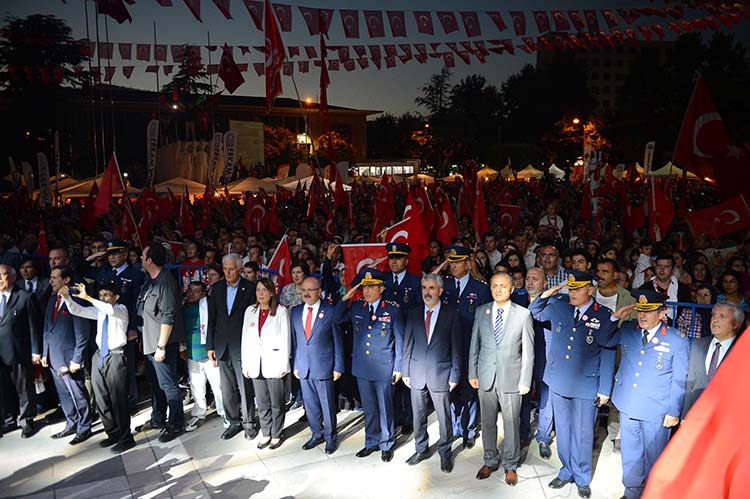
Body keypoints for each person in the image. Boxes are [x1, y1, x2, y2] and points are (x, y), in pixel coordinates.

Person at [529, 270, 617, 499]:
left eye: (578, 288)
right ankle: (566, 469)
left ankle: (582, 477)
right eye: (571, 287)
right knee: (565, 432)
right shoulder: (560, 305)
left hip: (587, 385)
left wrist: (605, 388)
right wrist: (549, 292)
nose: (573, 292)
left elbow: (608, 352)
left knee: (584, 433)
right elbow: (535, 311)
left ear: (590, 289)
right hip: (559, 380)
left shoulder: (604, 315)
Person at [607, 291, 690, 499]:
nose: (642, 316)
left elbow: (680, 379)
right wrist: (614, 318)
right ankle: (632, 491)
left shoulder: (676, 340)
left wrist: (674, 410)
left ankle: (654, 493)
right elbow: (603, 339)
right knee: (631, 453)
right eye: (640, 310)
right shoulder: (628, 329)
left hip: (657, 408)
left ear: (662, 312)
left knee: (655, 457)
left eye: (649, 311)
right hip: (629, 403)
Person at [469, 273, 534, 486]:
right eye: (495, 285)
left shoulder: (523, 315)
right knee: (487, 422)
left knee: (511, 423)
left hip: (512, 378)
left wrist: (525, 380)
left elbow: (528, 352)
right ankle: (490, 459)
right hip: (486, 375)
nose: (498, 289)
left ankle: (510, 464)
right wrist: (473, 373)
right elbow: (474, 346)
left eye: (503, 286)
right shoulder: (481, 311)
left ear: (512, 288)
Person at [61, 282, 135, 452]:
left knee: (118, 399)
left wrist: (88, 297)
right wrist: (67, 298)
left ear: (115, 297)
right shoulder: (100, 311)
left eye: (106, 295)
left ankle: (126, 437)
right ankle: (113, 433)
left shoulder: (120, 309)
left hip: (115, 355)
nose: (102, 298)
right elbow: (78, 310)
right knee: (101, 397)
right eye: (101, 295)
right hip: (99, 356)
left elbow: (109, 309)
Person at [338, 268, 403, 462]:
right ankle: (371, 441)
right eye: (364, 287)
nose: (366, 291)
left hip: (384, 366)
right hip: (362, 367)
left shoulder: (392, 309)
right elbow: (336, 318)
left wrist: (398, 367)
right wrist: (348, 294)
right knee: (369, 407)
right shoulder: (357, 307)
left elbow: (399, 340)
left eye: (371, 287)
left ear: (381, 288)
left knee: (385, 407)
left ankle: (387, 443)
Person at [402, 274, 462, 473]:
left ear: (440, 291)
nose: (427, 292)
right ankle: (421, 449)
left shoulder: (451, 314)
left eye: (431, 288)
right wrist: (405, 370)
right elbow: (407, 344)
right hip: (416, 372)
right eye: (424, 288)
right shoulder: (413, 313)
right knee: (418, 416)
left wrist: (455, 374)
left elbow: (456, 348)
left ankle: (445, 452)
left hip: (441, 374)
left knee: (444, 417)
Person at [441, 245, 491, 449]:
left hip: (471, 347)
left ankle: (468, 430)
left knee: (470, 390)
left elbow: (486, 323)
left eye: (458, 262)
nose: (453, 266)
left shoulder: (480, 288)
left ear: (468, 264)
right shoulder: (443, 285)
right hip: (447, 348)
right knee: (450, 389)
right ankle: (454, 426)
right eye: (451, 262)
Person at [137, 244, 185, 443]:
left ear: (150, 260)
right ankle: (158, 418)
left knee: (168, 384)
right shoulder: (149, 282)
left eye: (143, 256)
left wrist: (161, 346)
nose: (140, 258)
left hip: (161, 344)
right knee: (155, 384)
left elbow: (168, 316)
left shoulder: (165, 282)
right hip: (149, 340)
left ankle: (176, 422)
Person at [207, 253, 258, 440]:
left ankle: (249, 423)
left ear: (239, 269)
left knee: (245, 387)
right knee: (226, 387)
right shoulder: (217, 288)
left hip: (242, 346)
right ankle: (233, 421)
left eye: (231, 269)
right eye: (225, 269)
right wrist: (210, 346)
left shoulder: (250, 288)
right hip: (221, 346)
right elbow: (212, 319)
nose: (228, 272)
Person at [291, 276, 343, 455]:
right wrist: (296, 364)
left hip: (324, 365)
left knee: (327, 404)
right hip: (303, 366)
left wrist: (338, 366)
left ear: (319, 291)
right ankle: (316, 434)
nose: (306, 293)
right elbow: (296, 341)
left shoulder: (330, 311)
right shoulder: (296, 312)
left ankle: (330, 437)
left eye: (310, 290)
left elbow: (338, 341)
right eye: (303, 290)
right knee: (310, 404)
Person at [42, 266, 92, 445]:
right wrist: (45, 352)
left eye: (55, 278)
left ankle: (85, 426)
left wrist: (77, 358)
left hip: (70, 358)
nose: (51, 281)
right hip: (54, 357)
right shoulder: (52, 299)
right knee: (64, 394)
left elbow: (82, 333)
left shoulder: (76, 300)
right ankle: (72, 423)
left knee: (77, 392)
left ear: (66, 280)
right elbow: (47, 327)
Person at [241, 278, 291, 450]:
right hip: (255, 363)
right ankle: (266, 432)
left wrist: (284, 365)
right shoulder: (250, 311)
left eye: (264, 290)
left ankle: (277, 433)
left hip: (274, 363)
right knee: (261, 402)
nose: (260, 293)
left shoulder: (281, 311)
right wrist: (245, 364)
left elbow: (286, 339)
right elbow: (245, 339)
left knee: (276, 402)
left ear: (271, 292)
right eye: (258, 290)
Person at [382, 242, 422, 436]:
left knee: (407, 380)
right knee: (391, 380)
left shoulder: (415, 282)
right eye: (391, 258)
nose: (394, 261)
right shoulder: (382, 279)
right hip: (386, 338)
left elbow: (420, 310)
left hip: (409, 338)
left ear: (406, 260)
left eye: (398, 258)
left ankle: (409, 418)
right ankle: (396, 416)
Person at [101, 239, 144, 411]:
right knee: (113, 366)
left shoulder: (135, 275)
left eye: (116, 253)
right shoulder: (106, 273)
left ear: (125, 254)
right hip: (108, 327)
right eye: (109, 254)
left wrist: (133, 328)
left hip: (126, 327)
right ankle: (117, 399)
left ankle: (131, 400)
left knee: (128, 365)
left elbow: (135, 304)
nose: (112, 257)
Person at [0, 264, 42, 438]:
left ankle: (27, 421)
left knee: (24, 389)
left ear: (12, 276)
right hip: (1, 356)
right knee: (4, 389)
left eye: (2, 275)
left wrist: (36, 351)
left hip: (19, 352)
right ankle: (9, 420)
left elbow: (34, 327)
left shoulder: (25, 297)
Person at [682, 301, 744, 417]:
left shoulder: (743, 352)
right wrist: (685, 415)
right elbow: (690, 384)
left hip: (726, 419)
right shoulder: (697, 345)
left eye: (722, 316)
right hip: (696, 416)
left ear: (735, 324)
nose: (715, 320)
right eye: (713, 315)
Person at [182, 281, 226, 433]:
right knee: (196, 384)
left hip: (208, 351)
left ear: (203, 293)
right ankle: (199, 413)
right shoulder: (183, 306)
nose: (191, 294)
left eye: (196, 291)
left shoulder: (208, 306)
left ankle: (225, 412)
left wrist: (213, 347)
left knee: (217, 384)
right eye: (190, 290)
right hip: (191, 351)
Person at [520, 267, 553, 458]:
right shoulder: (517, 301)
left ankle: (543, 436)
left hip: (545, 356)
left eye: (535, 279)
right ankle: (523, 432)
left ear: (545, 283)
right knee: (522, 397)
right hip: (522, 358)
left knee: (545, 397)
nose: (530, 282)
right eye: (528, 278)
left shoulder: (553, 303)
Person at [639, 254, 690, 319]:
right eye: (659, 266)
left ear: (673, 269)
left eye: (667, 266)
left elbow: (687, 315)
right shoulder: (645, 288)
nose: (662, 270)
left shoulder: (682, 290)